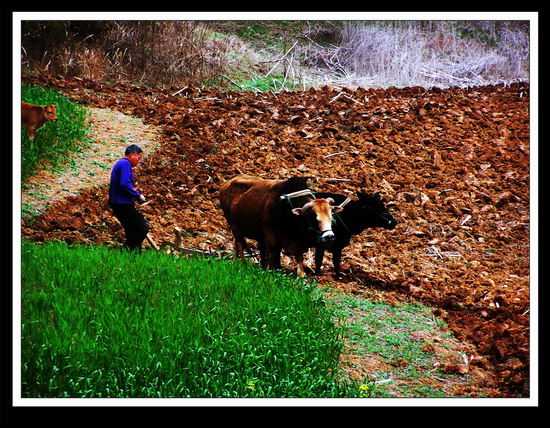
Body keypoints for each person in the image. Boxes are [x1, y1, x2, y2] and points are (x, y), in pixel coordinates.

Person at [109, 144, 149, 252]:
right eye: (138, 158)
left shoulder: (121, 164)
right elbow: (125, 183)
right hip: (122, 204)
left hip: (119, 203)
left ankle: (134, 256)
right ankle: (123, 252)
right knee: (142, 228)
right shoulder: (125, 163)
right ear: (132, 155)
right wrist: (137, 196)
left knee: (132, 230)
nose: (138, 161)